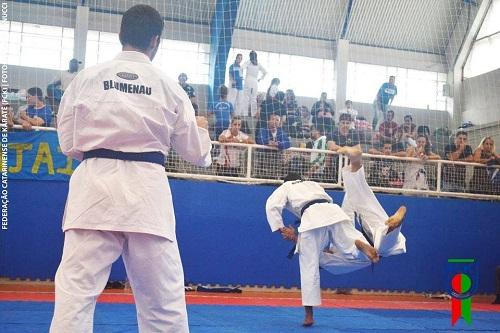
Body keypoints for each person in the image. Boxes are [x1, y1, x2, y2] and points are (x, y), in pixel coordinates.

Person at [50, 5, 212, 333]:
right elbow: (197, 155)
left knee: (75, 296)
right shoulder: (169, 86)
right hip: (147, 195)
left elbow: (67, 143)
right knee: (162, 304)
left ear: (120, 35)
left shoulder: (86, 79)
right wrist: (203, 128)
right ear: (155, 40)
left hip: (94, 190)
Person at [266, 145, 407, 327]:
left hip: (311, 215)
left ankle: (309, 315)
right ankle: (359, 244)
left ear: (286, 182)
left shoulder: (286, 186)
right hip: (333, 211)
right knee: (349, 246)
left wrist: (279, 227)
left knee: (309, 265)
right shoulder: (313, 184)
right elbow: (327, 203)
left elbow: (272, 205)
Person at [242, 50, 267, 117]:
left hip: (248, 80)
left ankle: (245, 114)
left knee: (246, 97)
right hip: (255, 82)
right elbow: (265, 72)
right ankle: (253, 114)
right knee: (253, 98)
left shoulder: (248, 62)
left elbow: (241, 68)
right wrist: (260, 79)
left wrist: (241, 76)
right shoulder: (258, 64)